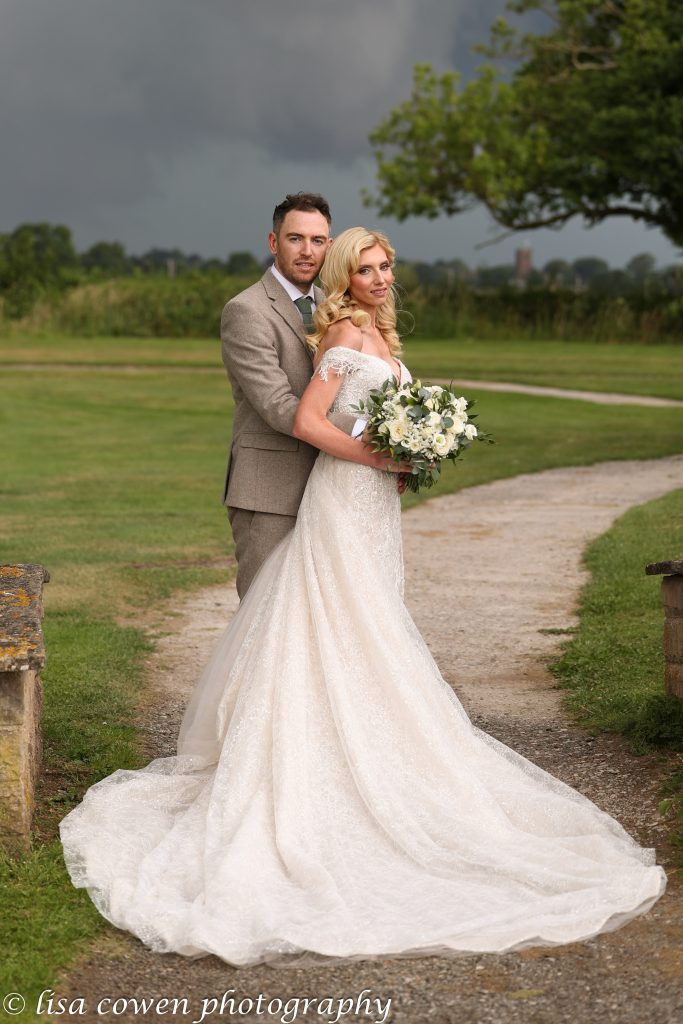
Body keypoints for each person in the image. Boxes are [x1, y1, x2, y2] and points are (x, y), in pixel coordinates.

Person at [59, 227, 666, 970]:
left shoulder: (377, 329)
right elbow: (312, 423)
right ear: (347, 274)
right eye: (367, 268)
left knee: (368, 621)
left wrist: (410, 453)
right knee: (344, 625)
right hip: (343, 498)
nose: (380, 278)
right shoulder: (345, 332)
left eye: (386, 267)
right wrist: (382, 453)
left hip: (375, 504)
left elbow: (369, 415)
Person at [221, 191, 368, 599]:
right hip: (270, 488)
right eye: (295, 239)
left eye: (318, 241)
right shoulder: (246, 311)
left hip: (331, 484)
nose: (308, 251)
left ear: (330, 245)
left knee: (320, 612)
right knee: (265, 611)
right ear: (274, 242)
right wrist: (367, 432)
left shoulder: (335, 306)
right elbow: (278, 406)